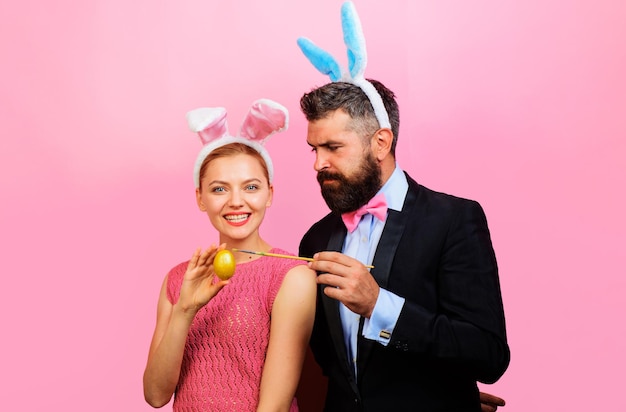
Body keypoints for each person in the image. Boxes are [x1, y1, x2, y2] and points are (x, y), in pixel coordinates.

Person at [294, 3, 510, 411]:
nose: (318, 163)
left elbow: (489, 354)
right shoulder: (316, 237)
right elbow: (327, 359)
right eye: (314, 149)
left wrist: (380, 305)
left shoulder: (454, 220)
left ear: (381, 142)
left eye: (333, 148)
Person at [143, 99, 317, 411]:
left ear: (269, 194)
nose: (236, 202)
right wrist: (185, 309)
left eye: (250, 187)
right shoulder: (177, 279)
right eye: (220, 189)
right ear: (200, 198)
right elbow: (156, 396)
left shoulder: (292, 277)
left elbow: (273, 408)